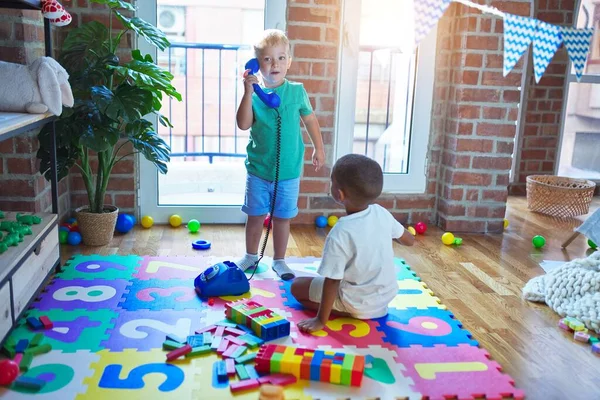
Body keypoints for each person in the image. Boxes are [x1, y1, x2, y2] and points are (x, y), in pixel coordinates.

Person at [235, 29, 325, 280]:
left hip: (288, 171)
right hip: (259, 170)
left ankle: (280, 260)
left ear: (289, 62)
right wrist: (248, 92)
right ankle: (251, 256)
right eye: (267, 59)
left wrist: (319, 147)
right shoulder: (253, 95)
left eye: (281, 58)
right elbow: (243, 124)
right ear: (256, 65)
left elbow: (310, 120)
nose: (275, 64)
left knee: (283, 218)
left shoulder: (297, 91)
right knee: (255, 216)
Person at [291, 154, 415, 332]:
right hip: (384, 298)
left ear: (339, 194)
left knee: (296, 287)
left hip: (355, 301)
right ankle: (364, 310)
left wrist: (320, 320)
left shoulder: (340, 232)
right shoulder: (381, 212)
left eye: (332, 182)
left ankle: (351, 313)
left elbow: (332, 281)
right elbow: (408, 241)